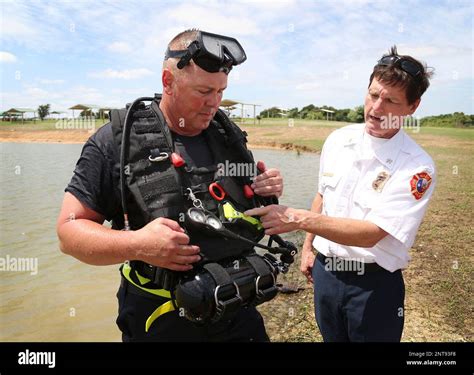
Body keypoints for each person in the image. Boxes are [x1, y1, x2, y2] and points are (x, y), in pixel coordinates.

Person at [56, 29, 286, 342]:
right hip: (161, 318)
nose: (213, 103)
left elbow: (247, 200)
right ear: (168, 81)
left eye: (220, 91)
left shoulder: (226, 136)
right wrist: (137, 244)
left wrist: (266, 187)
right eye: (204, 91)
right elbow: (69, 233)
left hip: (239, 306)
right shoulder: (114, 143)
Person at [246, 46, 435, 342]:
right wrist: (308, 248)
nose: (376, 108)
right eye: (373, 95)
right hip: (326, 273)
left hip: (373, 285)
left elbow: (371, 234)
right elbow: (323, 196)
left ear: (412, 107)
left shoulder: (417, 167)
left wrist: (297, 219)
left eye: (390, 101)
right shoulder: (338, 139)